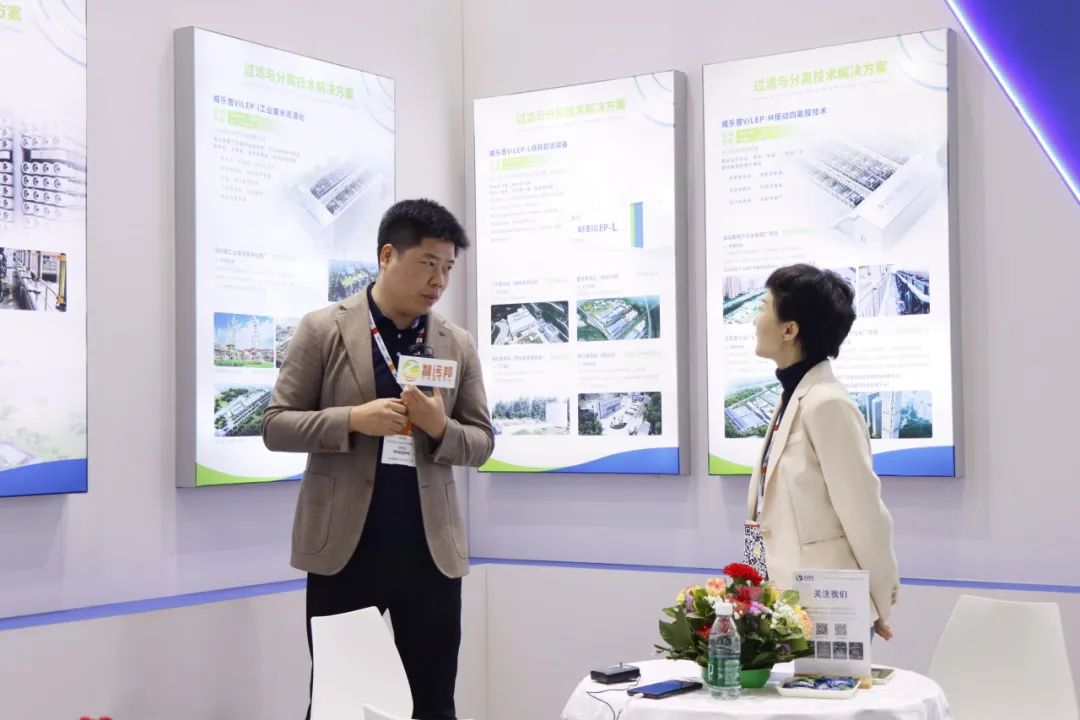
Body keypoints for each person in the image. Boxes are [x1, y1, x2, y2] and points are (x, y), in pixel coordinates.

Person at [262, 199, 494, 719]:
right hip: (345, 550)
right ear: (388, 256)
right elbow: (275, 425)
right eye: (428, 263)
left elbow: (482, 440)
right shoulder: (324, 329)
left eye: (448, 268)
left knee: (433, 703)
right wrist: (351, 419)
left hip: (430, 554)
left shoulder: (455, 343)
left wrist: (439, 428)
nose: (439, 281)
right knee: (340, 702)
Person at [745, 264, 899, 639]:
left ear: (789, 329)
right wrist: (751, 592)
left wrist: (878, 601)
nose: (754, 320)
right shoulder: (793, 396)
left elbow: (863, 512)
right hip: (782, 603)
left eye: (763, 307)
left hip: (827, 608)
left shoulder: (827, 403)